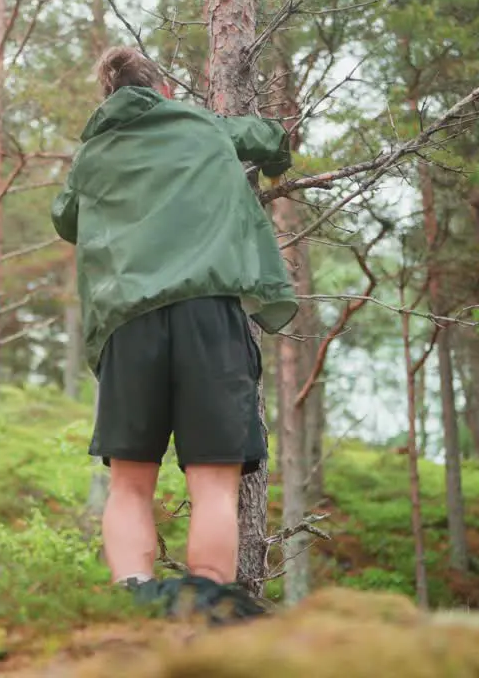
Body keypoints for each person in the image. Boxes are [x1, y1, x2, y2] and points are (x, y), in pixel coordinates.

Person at [51, 46, 298, 623]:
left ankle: (134, 604)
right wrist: (271, 162)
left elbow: (66, 218)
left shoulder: (93, 154)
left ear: (106, 101)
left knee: (130, 483)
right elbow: (271, 137)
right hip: (206, 316)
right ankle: (207, 611)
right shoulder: (206, 126)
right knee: (214, 481)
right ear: (163, 91)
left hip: (127, 324)